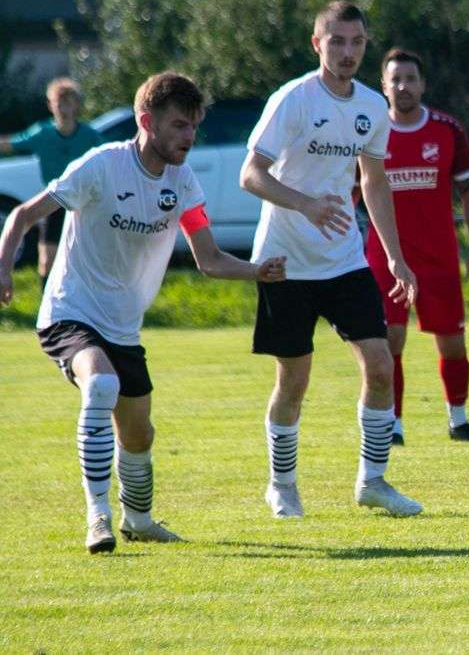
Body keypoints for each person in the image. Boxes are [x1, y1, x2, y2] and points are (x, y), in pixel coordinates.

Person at [0, 71, 287, 554]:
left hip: (122, 326)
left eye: (193, 126)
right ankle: (98, 517)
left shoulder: (183, 182)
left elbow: (208, 259)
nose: (189, 136)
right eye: (179, 125)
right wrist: (4, 267)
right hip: (70, 310)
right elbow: (23, 214)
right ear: (146, 121)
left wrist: (257, 271)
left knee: (138, 434)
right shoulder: (101, 166)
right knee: (101, 383)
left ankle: (138, 519)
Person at [239, 0, 420, 519]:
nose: (347, 52)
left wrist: (395, 257)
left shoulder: (371, 106)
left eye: (356, 42)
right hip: (285, 262)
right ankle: (282, 485)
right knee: (293, 380)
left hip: (343, 261)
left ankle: (373, 481)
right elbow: (250, 175)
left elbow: (374, 181)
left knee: (381, 365)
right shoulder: (292, 99)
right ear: (317, 44)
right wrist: (306, 205)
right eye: (336, 41)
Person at [368, 47, 469, 444]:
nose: (403, 86)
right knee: (390, 339)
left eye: (410, 79)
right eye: (395, 79)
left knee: (452, 343)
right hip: (386, 256)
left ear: (423, 85)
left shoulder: (447, 130)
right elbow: (352, 193)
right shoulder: (369, 130)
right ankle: (393, 425)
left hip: (438, 255)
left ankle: (458, 419)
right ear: (384, 86)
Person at [0, 78, 104, 288]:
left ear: (76, 105)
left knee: (85, 258)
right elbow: (10, 145)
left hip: (83, 202)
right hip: (54, 200)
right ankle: (46, 297)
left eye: (68, 103)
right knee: (47, 257)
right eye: (59, 103)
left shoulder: (90, 136)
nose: (63, 109)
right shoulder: (43, 133)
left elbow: (110, 159)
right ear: (50, 105)